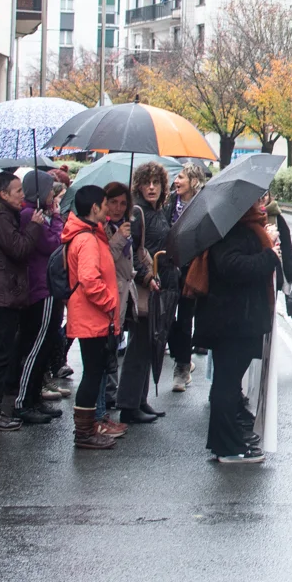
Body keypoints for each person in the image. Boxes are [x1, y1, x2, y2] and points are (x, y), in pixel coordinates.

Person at [190, 192, 292, 465]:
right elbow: (232, 266)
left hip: (234, 319)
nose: (261, 204)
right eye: (255, 201)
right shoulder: (234, 231)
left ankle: (224, 443)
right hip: (233, 321)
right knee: (227, 383)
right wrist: (269, 255)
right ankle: (228, 448)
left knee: (227, 382)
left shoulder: (240, 227)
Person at [0, 172, 53, 431]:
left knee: (1, 352)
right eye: (17, 191)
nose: (22, 195)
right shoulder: (0, 218)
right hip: (2, 293)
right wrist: (35, 225)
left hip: (5, 292)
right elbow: (19, 248)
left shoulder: (4, 215)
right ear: (3, 194)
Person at [63, 183, 122, 450]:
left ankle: (87, 429)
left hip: (92, 316)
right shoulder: (86, 239)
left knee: (94, 372)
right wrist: (109, 303)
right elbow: (89, 279)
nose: (109, 209)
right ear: (95, 207)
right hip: (92, 316)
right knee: (92, 374)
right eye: (106, 204)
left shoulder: (90, 234)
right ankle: (84, 432)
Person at [115, 171, 170, 425]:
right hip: (143, 287)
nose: (151, 187)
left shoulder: (157, 210)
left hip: (157, 285)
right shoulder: (137, 213)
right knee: (138, 346)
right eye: (146, 183)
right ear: (138, 186)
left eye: (156, 183)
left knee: (148, 345)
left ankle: (139, 399)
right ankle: (128, 404)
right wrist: (147, 277)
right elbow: (131, 254)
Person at [17, 169, 69, 411]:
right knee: (37, 346)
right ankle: (25, 401)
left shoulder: (36, 213)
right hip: (41, 287)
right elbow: (54, 243)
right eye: (49, 189)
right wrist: (57, 218)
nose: (52, 194)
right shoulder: (30, 214)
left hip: (45, 286)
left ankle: (35, 397)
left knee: (43, 343)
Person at [96, 181, 140, 424]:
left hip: (123, 293)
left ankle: (107, 399)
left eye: (123, 203)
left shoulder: (122, 226)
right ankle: (99, 410)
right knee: (103, 353)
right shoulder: (102, 228)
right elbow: (105, 260)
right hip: (109, 295)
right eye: (113, 202)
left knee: (113, 348)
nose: (118, 208)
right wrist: (120, 238)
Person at [164, 162, 209, 392]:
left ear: (194, 181)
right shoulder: (169, 202)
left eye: (181, 177)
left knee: (184, 320)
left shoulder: (202, 205)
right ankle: (182, 356)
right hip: (169, 269)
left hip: (191, 270)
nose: (176, 181)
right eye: (176, 177)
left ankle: (182, 367)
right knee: (165, 319)